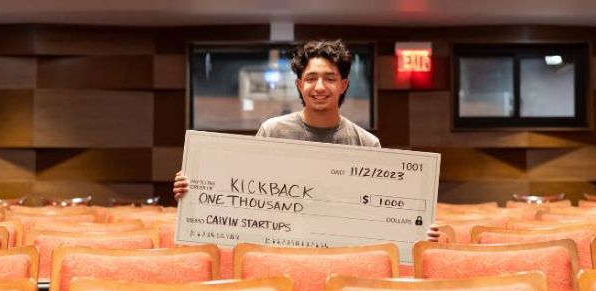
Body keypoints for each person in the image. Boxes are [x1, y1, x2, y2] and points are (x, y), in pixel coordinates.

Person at [173, 39, 439, 242]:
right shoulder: (272, 133)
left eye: (330, 78)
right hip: (281, 248)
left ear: (344, 85)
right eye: (311, 78)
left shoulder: (367, 144)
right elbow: (240, 195)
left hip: (343, 254)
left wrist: (416, 232)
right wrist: (193, 190)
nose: (320, 87)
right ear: (300, 85)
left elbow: (382, 213)